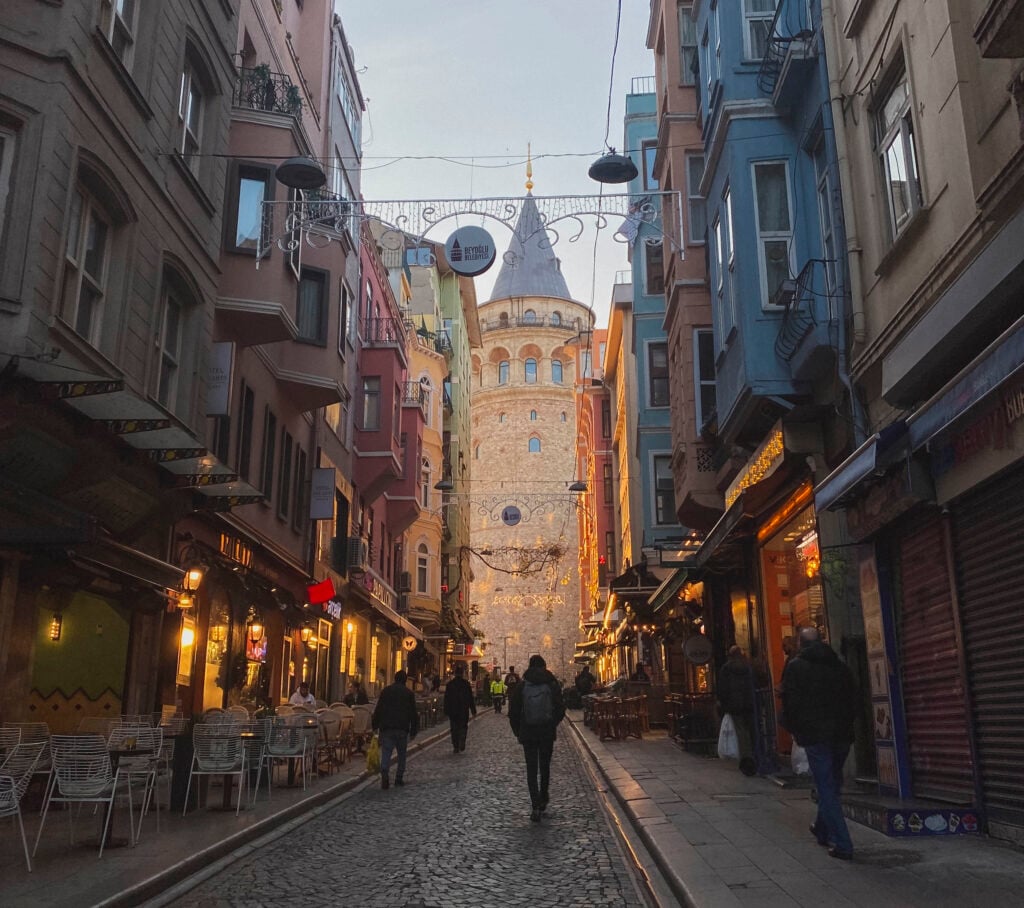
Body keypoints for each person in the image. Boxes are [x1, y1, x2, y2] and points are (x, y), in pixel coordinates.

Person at [781, 627, 859, 860]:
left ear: (800, 643)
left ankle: (844, 843)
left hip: (816, 736)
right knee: (831, 783)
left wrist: (796, 730)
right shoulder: (840, 666)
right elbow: (854, 698)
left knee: (826, 787)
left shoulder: (795, 667)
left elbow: (790, 704)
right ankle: (822, 828)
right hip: (842, 734)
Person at [509, 654, 566, 822]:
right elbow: (561, 708)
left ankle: (535, 805)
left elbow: (513, 711)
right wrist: (552, 723)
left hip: (528, 732)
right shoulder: (551, 684)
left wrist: (518, 732)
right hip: (546, 732)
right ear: (544, 666)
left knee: (531, 769)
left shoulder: (522, 685)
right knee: (545, 766)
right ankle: (543, 799)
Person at [371, 669, 419, 789]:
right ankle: (398, 778)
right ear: (405, 680)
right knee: (402, 755)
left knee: (386, 752)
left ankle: (385, 771)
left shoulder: (386, 691)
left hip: (387, 727)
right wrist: (414, 730)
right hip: (402, 728)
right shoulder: (408, 693)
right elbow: (413, 713)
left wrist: (374, 725)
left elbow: (379, 709)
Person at [717, 646, 758, 776]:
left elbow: (723, 688)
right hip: (748, 704)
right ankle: (752, 755)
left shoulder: (726, 669)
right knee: (749, 730)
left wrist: (723, 703)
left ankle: (745, 759)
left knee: (739, 732)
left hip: (733, 705)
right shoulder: (748, 667)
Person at [443, 662, 477, 753]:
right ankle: (462, 740)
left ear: (455, 673)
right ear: (462, 674)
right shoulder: (466, 684)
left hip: (453, 710)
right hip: (463, 710)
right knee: (463, 727)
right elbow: (470, 698)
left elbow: (446, 698)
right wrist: (473, 710)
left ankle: (456, 746)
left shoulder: (450, 684)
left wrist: (446, 710)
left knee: (454, 728)